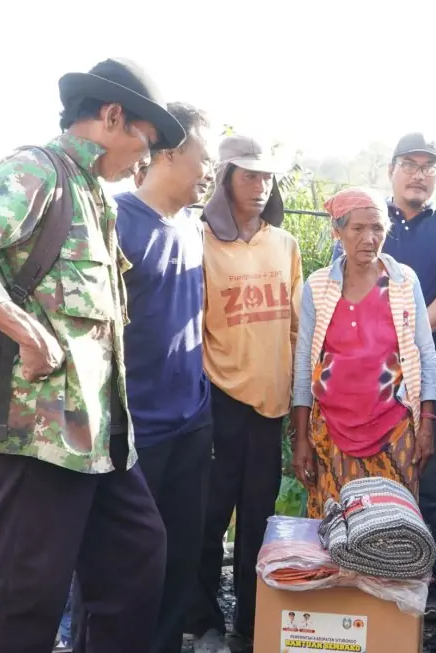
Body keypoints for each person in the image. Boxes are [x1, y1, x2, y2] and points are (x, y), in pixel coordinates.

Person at [0, 58, 185, 653]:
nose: (146, 159)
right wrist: (27, 334)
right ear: (112, 117)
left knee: (137, 559)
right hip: (37, 432)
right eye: (147, 141)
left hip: (104, 437)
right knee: (22, 594)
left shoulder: (95, 196)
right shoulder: (37, 172)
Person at [70, 102, 214, 653]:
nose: (209, 172)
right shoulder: (115, 221)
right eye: (204, 157)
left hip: (190, 425)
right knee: (116, 571)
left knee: (177, 562)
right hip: (131, 435)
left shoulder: (190, 228)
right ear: (171, 151)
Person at [331, 132, 436, 615]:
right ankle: (360, 572)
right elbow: (342, 286)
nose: (420, 174)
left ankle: (424, 585)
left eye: (429, 167)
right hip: (363, 379)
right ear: (391, 170)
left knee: (428, 478)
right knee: (363, 470)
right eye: (410, 165)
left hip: (430, 372)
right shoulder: (367, 219)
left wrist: (400, 339)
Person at [188, 135, 303, 653]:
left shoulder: (285, 244)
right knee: (210, 517)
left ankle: (252, 625)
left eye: (267, 177)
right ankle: (204, 619)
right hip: (220, 398)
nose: (260, 186)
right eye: (249, 175)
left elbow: (298, 327)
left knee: (259, 517)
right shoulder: (201, 239)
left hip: (271, 404)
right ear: (226, 177)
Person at [291, 187, 436, 517]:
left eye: (377, 228)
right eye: (357, 229)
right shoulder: (318, 286)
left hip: (395, 429)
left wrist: (427, 423)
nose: (369, 238)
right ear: (338, 232)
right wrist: (300, 438)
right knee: (336, 535)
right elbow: (304, 361)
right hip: (330, 431)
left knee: (392, 534)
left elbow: (425, 354)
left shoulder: (403, 281)